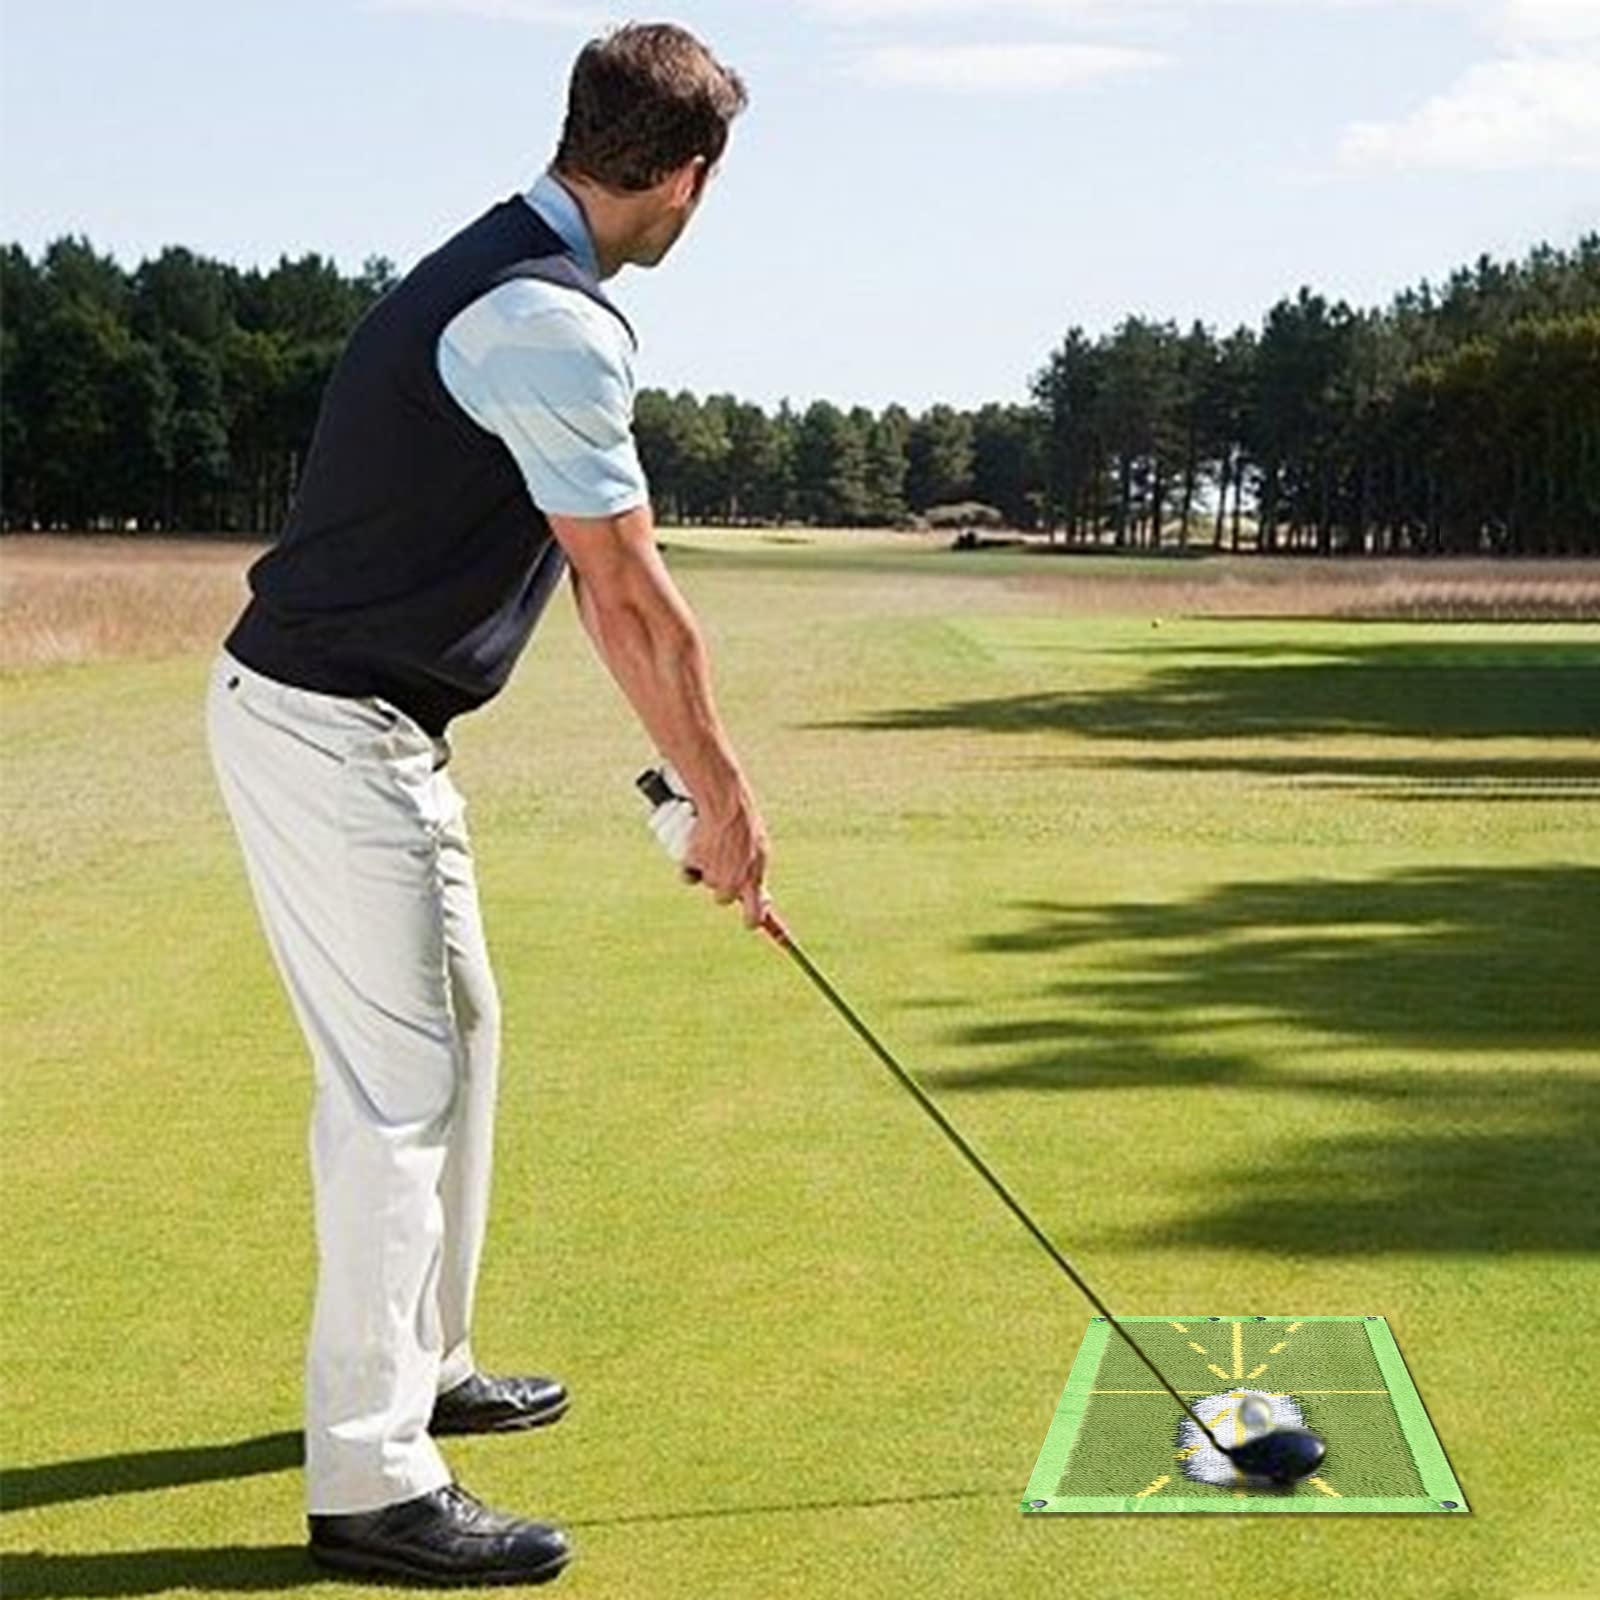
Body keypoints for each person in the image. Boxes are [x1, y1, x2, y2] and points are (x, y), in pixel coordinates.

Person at [204, 22, 764, 1587]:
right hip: (328, 729)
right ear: (689, 179)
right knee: (396, 1097)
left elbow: (599, 592)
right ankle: (371, 1480)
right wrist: (725, 797)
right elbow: (632, 597)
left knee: (464, 1033)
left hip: (371, 726)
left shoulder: (509, 273)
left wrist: (705, 786)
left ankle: (429, 1364)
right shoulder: (547, 320)